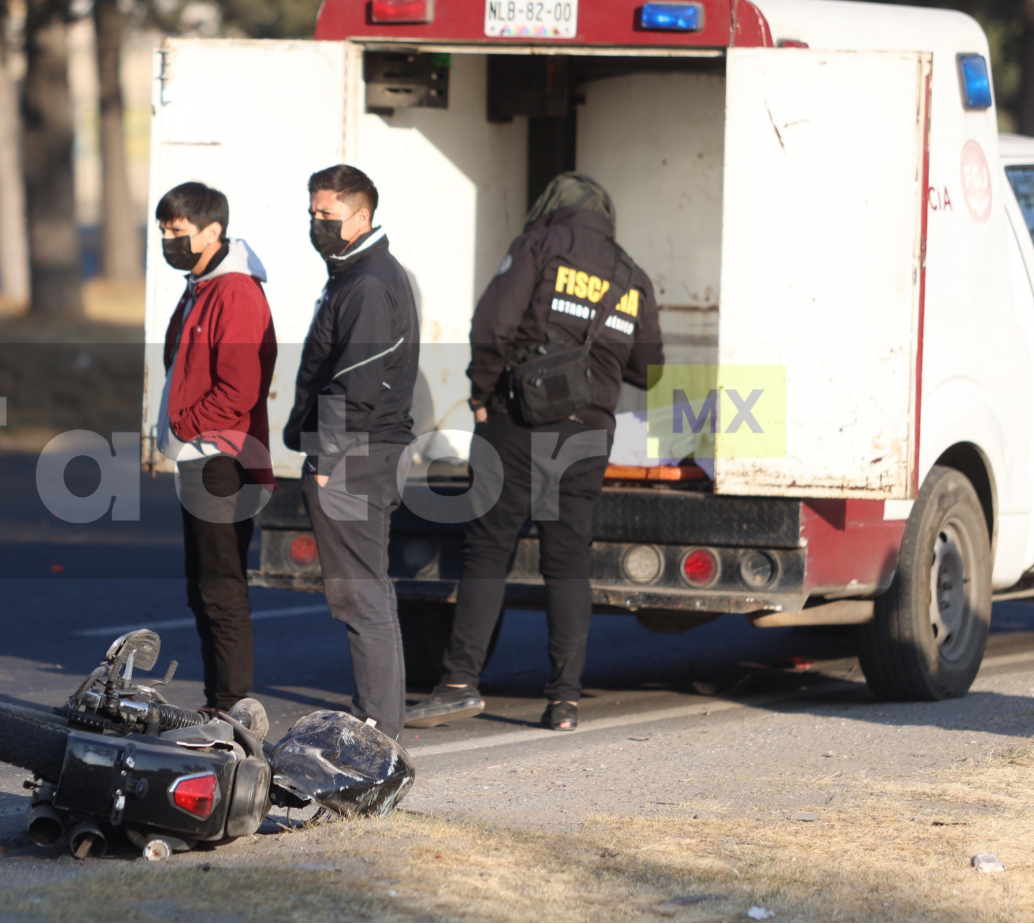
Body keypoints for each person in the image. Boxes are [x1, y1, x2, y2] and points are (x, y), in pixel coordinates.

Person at [404, 173, 664, 733]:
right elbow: (652, 369)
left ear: (552, 207)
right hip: (589, 432)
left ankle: (458, 684)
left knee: (488, 551)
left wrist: (480, 391)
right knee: (568, 563)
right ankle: (565, 701)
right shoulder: (632, 274)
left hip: (519, 421)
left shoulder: (539, 246)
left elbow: (492, 322)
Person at [284, 164, 420, 739]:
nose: (317, 224)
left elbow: (356, 382)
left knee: (361, 601)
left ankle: (378, 733)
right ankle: (381, 722)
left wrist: (328, 459)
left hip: (355, 458)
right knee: (369, 597)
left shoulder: (365, 282)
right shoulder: (356, 273)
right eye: (313, 214)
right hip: (366, 453)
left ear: (360, 216)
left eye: (328, 216)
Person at [155, 181, 278, 713]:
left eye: (177, 232)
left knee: (221, 588)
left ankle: (230, 706)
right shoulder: (200, 285)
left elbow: (239, 389)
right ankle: (218, 701)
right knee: (202, 587)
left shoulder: (234, 292)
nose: (167, 240)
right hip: (200, 456)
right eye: (162, 230)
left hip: (221, 459)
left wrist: (185, 424)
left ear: (213, 232)